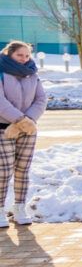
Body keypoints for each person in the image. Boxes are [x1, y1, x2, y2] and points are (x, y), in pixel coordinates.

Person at [0, 41, 47, 227]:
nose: (24, 59)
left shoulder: (32, 74)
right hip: (4, 128)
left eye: (27, 55)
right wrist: (19, 120)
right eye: (20, 55)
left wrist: (28, 120)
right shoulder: (2, 73)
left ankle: (19, 208)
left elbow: (41, 99)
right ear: (9, 54)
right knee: (3, 171)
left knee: (23, 170)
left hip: (28, 129)